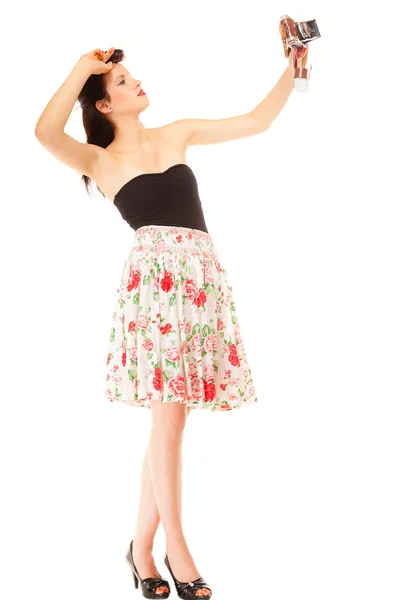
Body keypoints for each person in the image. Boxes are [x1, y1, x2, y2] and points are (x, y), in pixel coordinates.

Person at [35, 44, 307, 599]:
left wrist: (294, 65)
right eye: (123, 81)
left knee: (169, 426)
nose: (136, 83)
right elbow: (44, 132)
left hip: (200, 284)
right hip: (155, 294)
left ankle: (139, 549)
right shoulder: (99, 161)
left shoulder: (175, 134)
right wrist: (84, 69)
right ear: (104, 105)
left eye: (132, 76)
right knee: (171, 426)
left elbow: (257, 120)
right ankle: (175, 549)